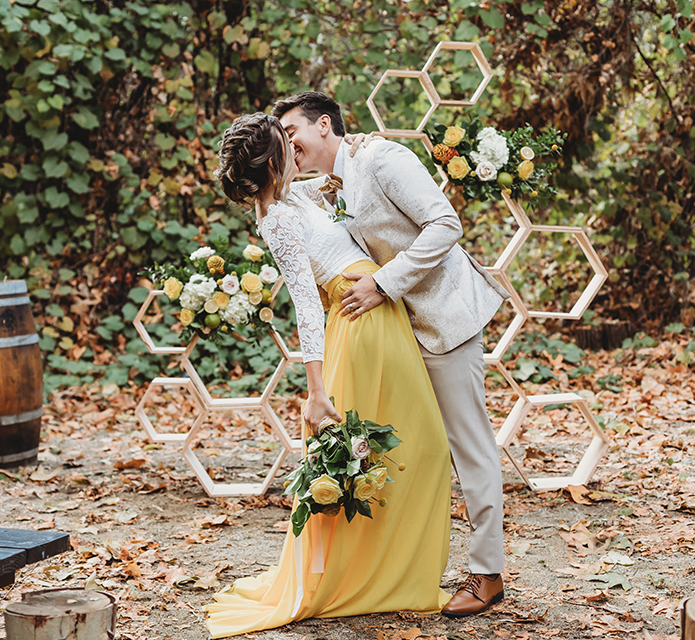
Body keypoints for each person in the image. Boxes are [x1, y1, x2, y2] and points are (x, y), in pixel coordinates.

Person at [204, 112, 453, 638]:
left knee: (413, 446)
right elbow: (305, 307)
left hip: (377, 308)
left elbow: (336, 182)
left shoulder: (294, 197)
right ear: (273, 161)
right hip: (361, 322)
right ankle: (369, 576)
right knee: (399, 448)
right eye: (286, 144)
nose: (297, 149)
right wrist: (316, 390)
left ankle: (391, 570)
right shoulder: (278, 220)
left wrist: (355, 148)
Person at [272, 91, 510, 617]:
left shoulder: (383, 158)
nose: (287, 144)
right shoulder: (332, 181)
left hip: (443, 319)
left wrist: (383, 283)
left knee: (468, 445)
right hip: (395, 336)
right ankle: (403, 566)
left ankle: (487, 574)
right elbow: (291, 206)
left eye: (291, 132)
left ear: (325, 124)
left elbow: (446, 224)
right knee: (412, 451)